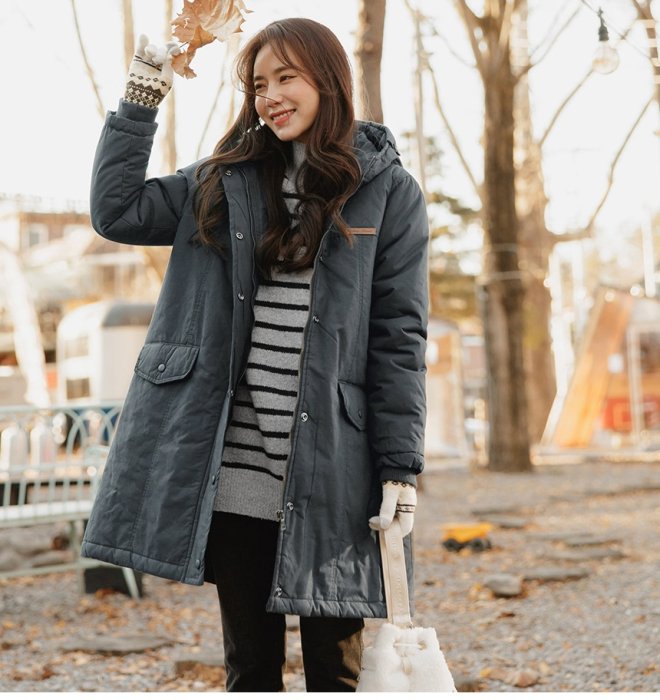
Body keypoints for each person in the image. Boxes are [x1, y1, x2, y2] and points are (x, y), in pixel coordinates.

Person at [80, 16, 429, 692]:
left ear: (328, 81)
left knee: (336, 669)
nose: (270, 96)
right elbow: (116, 211)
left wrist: (400, 467)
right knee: (250, 668)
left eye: (286, 78)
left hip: (332, 467)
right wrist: (144, 92)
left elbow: (398, 337)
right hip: (237, 468)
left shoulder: (389, 191)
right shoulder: (223, 181)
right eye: (259, 85)